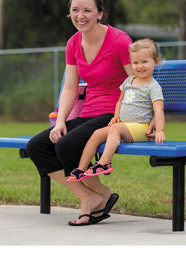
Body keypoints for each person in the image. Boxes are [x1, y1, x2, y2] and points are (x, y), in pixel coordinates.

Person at [25, 0, 134, 226]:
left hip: (115, 114)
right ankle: (89, 196)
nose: (80, 15)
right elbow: (70, 88)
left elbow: (135, 83)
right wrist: (61, 121)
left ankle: (100, 195)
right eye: (75, 10)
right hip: (89, 113)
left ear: (100, 14)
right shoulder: (73, 43)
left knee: (66, 145)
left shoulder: (119, 40)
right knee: (37, 146)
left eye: (87, 10)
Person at [67, 39, 165, 182]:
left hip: (141, 128)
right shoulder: (128, 81)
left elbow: (159, 110)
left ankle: (104, 162)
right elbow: (120, 101)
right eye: (135, 63)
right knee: (96, 134)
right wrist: (116, 116)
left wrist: (160, 130)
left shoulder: (153, 86)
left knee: (115, 129)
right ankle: (81, 169)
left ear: (156, 62)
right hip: (124, 126)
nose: (140, 66)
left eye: (145, 62)